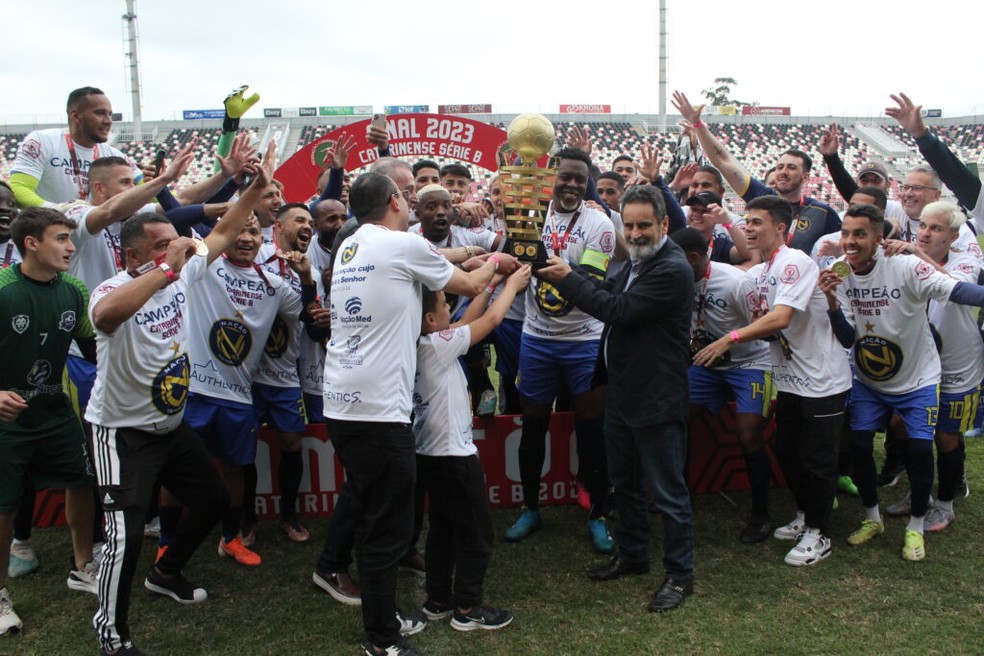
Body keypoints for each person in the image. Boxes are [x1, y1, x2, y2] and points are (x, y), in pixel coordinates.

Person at [86, 164, 268, 656]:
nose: (182, 245)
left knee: (210, 499)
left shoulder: (183, 269)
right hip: (121, 432)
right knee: (125, 536)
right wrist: (168, 267)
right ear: (135, 254)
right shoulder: (110, 290)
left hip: (169, 426)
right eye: (165, 243)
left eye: (178, 240)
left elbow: (228, 229)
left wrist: (253, 190)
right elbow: (105, 318)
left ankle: (166, 574)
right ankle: (112, 635)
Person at [323, 171, 501, 656]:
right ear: (397, 201)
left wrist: (469, 255)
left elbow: (436, 260)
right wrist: (500, 265)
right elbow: (468, 282)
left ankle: (381, 614)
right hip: (380, 411)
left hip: (343, 401)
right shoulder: (401, 244)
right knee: (389, 530)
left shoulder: (353, 246)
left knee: (371, 516)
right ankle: (381, 640)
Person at [538, 184, 695, 612]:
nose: (636, 232)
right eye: (628, 225)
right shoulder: (638, 264)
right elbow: (607, 293)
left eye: (645, 224)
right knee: (623, 482)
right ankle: (634, 554)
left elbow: (618, 311)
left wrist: (567, 279)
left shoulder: (672, 269)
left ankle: (680, 575)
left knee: (667, 492)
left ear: (664, 224)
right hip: (623, 392)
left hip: (656, 397)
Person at [694, 196, 853, 567]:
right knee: (786, 452)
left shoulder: (794, 262)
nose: (747, 228)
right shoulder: (758, 273)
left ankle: (820, 532)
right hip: (790, 379)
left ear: (780, 229)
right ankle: (804, 514)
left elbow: (780, 318)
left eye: (756, 222)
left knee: (817, 459)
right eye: (746, 222)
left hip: (823, 380)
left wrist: (729, 339)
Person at [820, 203, 984, 561]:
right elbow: (848, 338)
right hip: (870, 381)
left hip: (918, 380)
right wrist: (832, 302)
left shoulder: (906, 265)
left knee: (920, 449)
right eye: (846, 233)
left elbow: (958, 292)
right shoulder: (839, 272)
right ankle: (872, 517)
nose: (850, 241)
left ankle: (915, 527)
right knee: (861, 445)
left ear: (879, 238)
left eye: (860, 234)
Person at [503, 147, 617, 554]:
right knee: (532, 426)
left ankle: (597, 514)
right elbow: (510, 259)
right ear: (551, 177)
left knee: (592, 429)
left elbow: (587, 284)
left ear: (587, 182)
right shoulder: (528, 215)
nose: (571, 184)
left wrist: (532, 258)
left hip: (584, 338)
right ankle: (531, 508)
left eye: (579, 179)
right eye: (564, 176)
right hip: (537, 337)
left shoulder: (600, 223)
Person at [414, 264, 531, 632]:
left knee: (443, 529)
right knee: (478, 534)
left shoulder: (420, 342)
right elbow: (492, 320)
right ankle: (467, 607)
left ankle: (437, 599)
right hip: (454, 456)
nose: (452, 309)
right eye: (446, 305)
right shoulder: (438, 346)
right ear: (432, 319)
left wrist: (491, 283)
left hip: (428, 455)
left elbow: (468, 320)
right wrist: (511, 285)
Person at [0, 208, 99, 636]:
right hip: (7, 420)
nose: (71, 247)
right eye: (61, 238)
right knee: (4, 506)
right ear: (31, 243)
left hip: (55, 410)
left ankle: (83, 566)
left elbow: (93, 346)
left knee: (81, 481)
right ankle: (0, 593)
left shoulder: (74, 290)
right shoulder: (3, 289)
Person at [670, 226, 775, 543]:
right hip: (707, 364)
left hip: (751, 362)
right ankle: (680, 495)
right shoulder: (677, 279)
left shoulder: (735, 282)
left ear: (693, 259)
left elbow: (767, 329)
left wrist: (729, 342)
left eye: (675, 260)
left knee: (748, 433)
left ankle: (761, 515)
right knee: (676, 418)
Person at [883, 201, 982, 532]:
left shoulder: (966, 260)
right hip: (916, 360)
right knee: (900, 424)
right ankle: (918, 493)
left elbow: (954, 288)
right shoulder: (904, 258)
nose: (925, 233)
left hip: (958, 361)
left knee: (946, 434)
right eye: (923, 225)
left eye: (936, 228)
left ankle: (945, 503)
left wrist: (915, 254)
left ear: (953, 237)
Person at [672, 91, 841, 254]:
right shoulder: (762, 197)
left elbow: (844, 243)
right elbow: (722, 160)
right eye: (780, 167)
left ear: (806, 176)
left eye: (791, 167)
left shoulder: (822, 213)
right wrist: (698, 124)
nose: (782, 172)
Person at [9, 87, 141, 208]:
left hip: (92, 229)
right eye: (100, 113)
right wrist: (58, 211)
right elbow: (19, 188)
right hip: (48, 229)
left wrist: (155, 182)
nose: (108, 121)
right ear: (76, 116)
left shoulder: (114, 156)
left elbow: (146, 193)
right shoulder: (42, 141)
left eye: (110, 114)